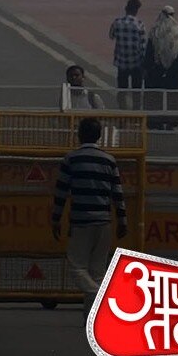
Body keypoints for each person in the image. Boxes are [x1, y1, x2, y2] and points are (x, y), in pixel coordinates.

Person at [51, 117, 128, 305]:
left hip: (81, 221)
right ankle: (92, 319)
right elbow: (117, 193)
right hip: (104, 222)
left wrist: (56, 219)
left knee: (77, 267)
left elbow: (61, 193)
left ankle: (99, 294)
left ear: (79, 135)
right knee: (98, 272)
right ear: (99, 136)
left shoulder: (71, 159)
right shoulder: (109, 160)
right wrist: (122, 220)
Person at [144, 5, 178, 121]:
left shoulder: (155, 29)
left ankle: (155, 121)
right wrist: (174, 70)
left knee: (155, 98)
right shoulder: (177, 30)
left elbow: (149, 52)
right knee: (173, 98)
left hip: (157, 71)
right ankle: (172, 121)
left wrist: (149, 69)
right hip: (174, 72)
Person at [108, 0, 147, 104]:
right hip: (136, 62)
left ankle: (122, 109)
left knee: (122, 89)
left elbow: (111, 36)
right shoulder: (139, 24)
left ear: (126, 8)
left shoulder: (117, 22)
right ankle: (136, 110)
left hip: (122, 61)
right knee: (137, 91)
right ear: (136, 10)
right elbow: (143, 46)